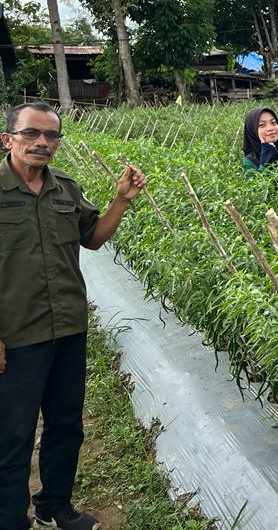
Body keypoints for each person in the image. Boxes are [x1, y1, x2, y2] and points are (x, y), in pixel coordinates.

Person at [1, 102, 148, 530]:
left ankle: (54, 505)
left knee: (66, 423)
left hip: (67, 327)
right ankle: (10, 519)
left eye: (51, 136)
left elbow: (94, 239)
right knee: (12, 434)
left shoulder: (65, 188)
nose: (42, 143)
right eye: (32, 134)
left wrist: (121, 200)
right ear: (8, 139)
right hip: (16, 333)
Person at [241, 107, 278, 173]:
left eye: (273, 122)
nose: (270, 128)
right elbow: (257, 182)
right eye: (262, 125)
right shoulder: (250, 161)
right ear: (252, 130)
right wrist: (265, 162)